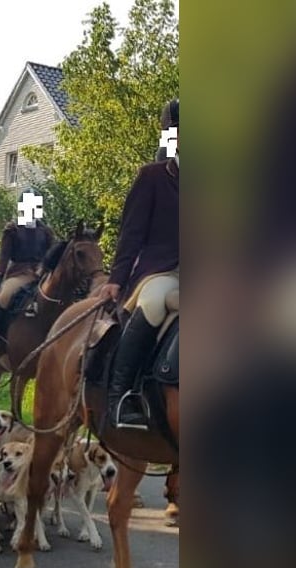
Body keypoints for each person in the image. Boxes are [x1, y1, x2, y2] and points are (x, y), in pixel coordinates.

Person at [100, 98, 179, 431]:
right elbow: (131, 233)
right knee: (154, 301)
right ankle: (121, 395)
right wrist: (117, 277)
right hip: (159, 270)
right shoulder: (152, 177)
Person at [0, 190, 55, 353]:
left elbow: (50, 254)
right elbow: (4, 255)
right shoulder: (12, 229)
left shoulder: (46, 231)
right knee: (5, 296)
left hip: (41, 274)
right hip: (19, 273)